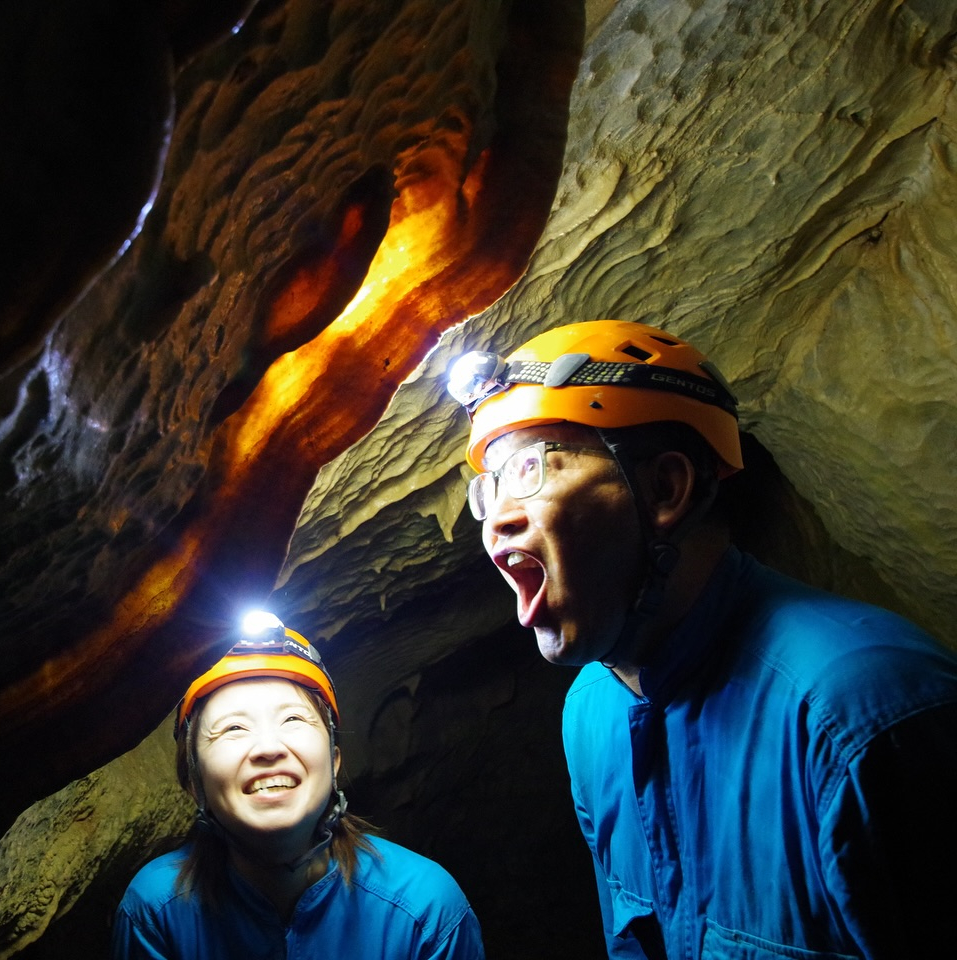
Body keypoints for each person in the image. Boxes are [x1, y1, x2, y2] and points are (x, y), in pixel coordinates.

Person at [445, 318, 957, 959]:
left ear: (665, 488)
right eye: (487, 490)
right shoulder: (591, 711)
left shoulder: (865, 716)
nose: (496, 523)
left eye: (528, 469)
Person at [112, 610, 486, 959]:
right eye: (233, 728)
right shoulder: (155, 912)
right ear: (195, 783)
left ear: (335, 761)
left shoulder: (425, 911)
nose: (269, 747)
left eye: (292, 719)